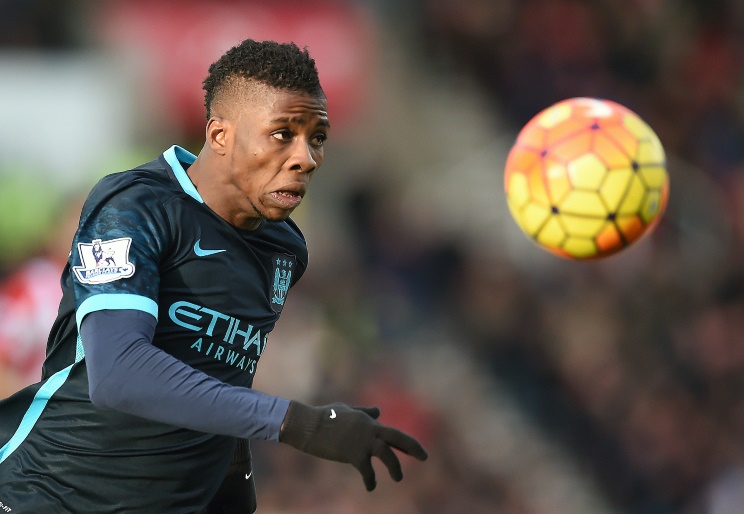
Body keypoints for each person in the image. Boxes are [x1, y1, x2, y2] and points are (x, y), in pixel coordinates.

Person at [0, 39, 428, 513]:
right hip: (43, 496)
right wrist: (298, 422)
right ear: (220, 135)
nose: (306, 158)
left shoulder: (283, 248)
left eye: (317, 137)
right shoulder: (135, 206)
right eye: (282, 133)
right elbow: (118, 373)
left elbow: (220, 382)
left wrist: (235, 494)